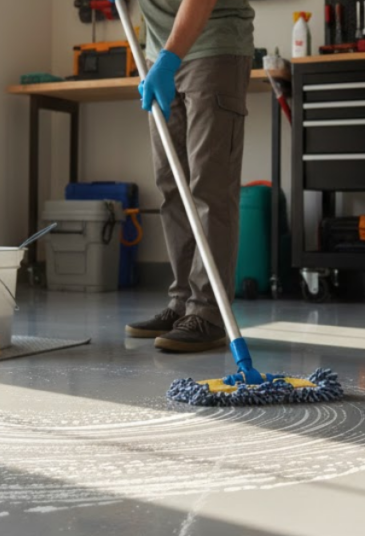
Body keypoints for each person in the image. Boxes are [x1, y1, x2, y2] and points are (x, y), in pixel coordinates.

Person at [117, 0, 255, 353]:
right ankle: (183, 303)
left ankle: (208, 312)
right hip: (159, 54)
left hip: (212, 46)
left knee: (209, 186)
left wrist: (170, 58)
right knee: (171, 184)